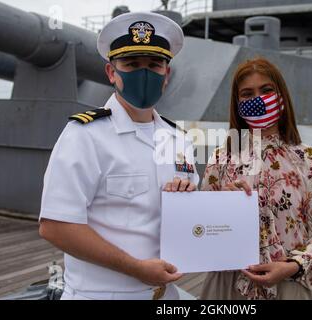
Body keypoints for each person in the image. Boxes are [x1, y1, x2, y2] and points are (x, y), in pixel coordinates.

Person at [38, 12, 199, 300]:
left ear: (167, 74)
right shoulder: (85, 134)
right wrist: (136, 268)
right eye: (132, 64)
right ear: (112, 72)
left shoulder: (179, 140)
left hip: (166, 294)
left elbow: (190, 218)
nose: (144, 73)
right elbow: (55, 226)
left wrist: (197, 197)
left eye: (154, 64)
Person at [200, 58, 312, 300]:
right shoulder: (221, 158)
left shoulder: (309, 160)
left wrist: (292, 266)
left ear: (281, 97)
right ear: (237, 105)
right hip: (226, 287)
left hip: (287, 286)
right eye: (247, 94)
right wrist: (222, 205)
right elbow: (201, 226)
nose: (257, 99)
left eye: (266, 90)